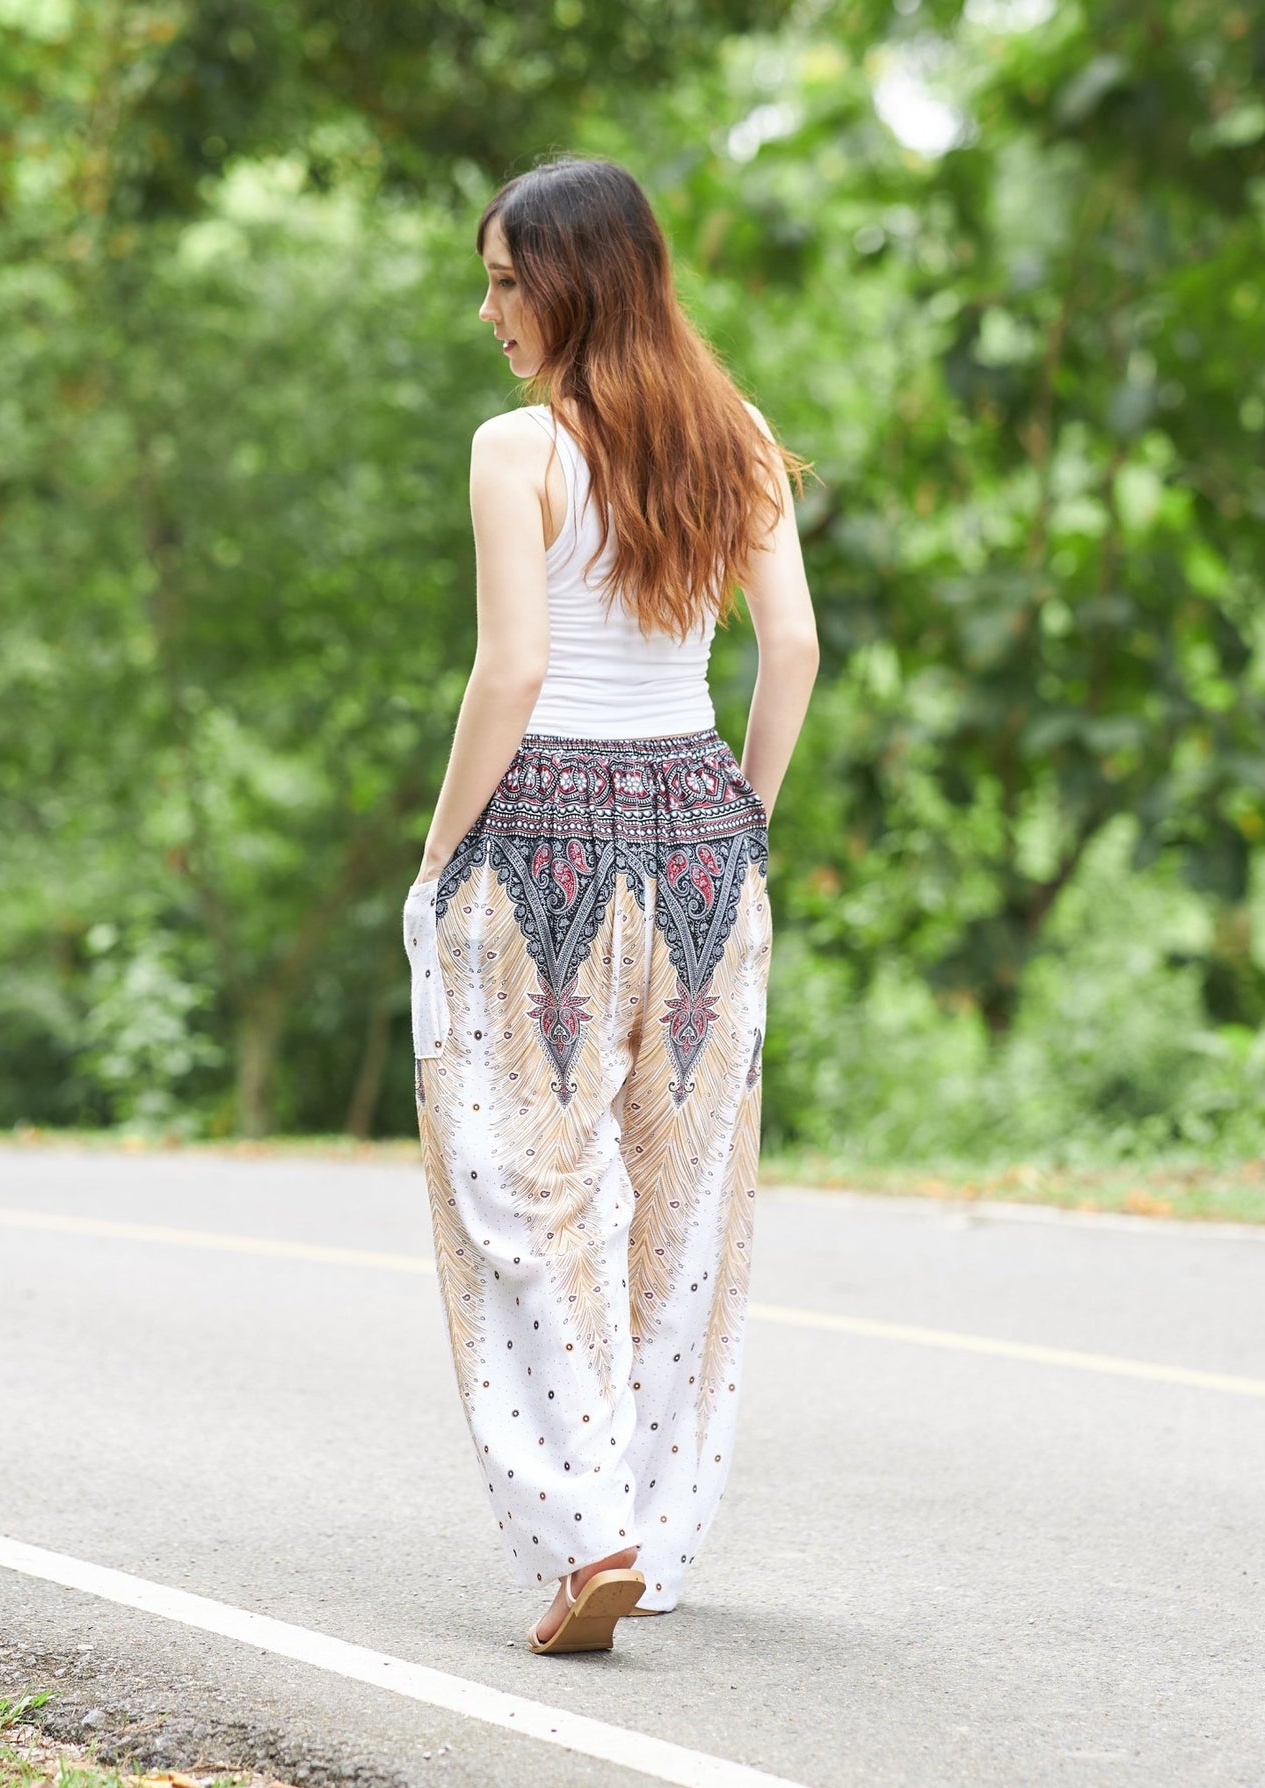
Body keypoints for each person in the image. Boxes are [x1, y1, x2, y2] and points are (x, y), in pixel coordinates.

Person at [403, 154, 818, 1655]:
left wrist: (439, 862)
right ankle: (663, 1527)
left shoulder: (515, 448)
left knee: (523, 1187)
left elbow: (512, 672)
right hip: (704, 832)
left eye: (508, 281)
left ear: (574, 284)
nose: (491, 310)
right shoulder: (736, 434)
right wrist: (742, 824)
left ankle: (589, 1531)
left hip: (546, 842)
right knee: (689, 1198)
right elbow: (792, 651)